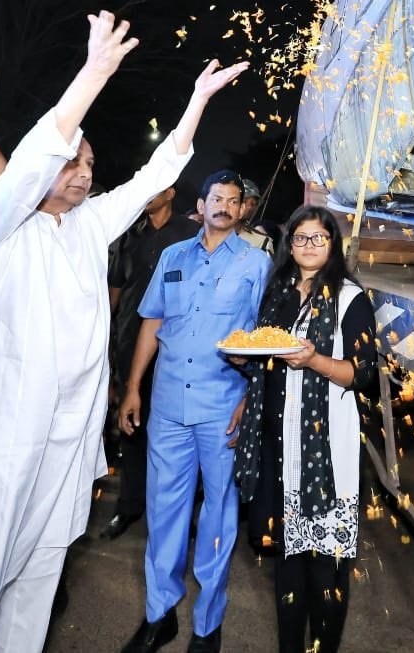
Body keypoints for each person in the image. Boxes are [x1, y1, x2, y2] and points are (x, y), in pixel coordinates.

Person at [0, 12, 247, 653]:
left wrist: (198, 102)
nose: (82, 172)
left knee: (36, 575)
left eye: (89, 163)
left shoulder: (90, 224)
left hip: (65, 435)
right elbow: (39, 151)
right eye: (71, 163)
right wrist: (95, 73)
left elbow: (157, 174)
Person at [118, 169, 272, 653]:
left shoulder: (255, 264)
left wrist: (250, 399)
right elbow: (151, 325)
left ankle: (208, 624)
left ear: (242, 209)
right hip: (166, 406)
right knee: (164, 512)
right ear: (200, 206)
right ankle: (158, 616)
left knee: (218, 518)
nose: (224, 206)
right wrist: (132, 389)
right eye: (216, 199)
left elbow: (266, 340)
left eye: (233, 199)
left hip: (222, 406)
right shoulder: (172, 256)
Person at [233, 206, 378, 653]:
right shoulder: (278, 292)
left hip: (324, 454)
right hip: (278, 448)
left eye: (319, 238)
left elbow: (363, 373)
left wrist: (313, 359)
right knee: (286, 565)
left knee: (326, 571)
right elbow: (265, 356)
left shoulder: (351, 298)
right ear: (289, 245)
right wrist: (245, 369)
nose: (310, 246)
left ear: (332, 245)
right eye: (301, 238)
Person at [99, 185, 198, 540]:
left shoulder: (191, 234)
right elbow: (114, 294)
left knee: (174, 437)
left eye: (154, 190)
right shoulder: (130, 236)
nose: (146, 197)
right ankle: (128, 507)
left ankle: (177, 517)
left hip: (174, 349)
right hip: (130, 345)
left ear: (172, 192)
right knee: (132, 431)